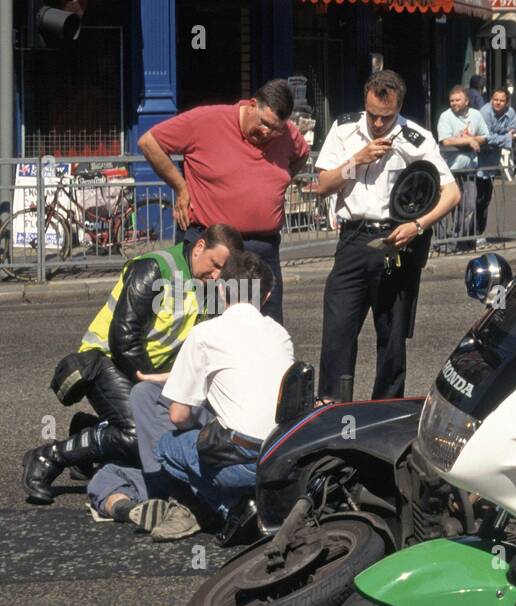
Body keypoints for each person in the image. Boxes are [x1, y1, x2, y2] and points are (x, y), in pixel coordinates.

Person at [21, 225, 242, 505]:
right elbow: (123, 338)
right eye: (214, 265)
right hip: (106, 360)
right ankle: (49, 456)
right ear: (199, 247)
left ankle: (92, 430)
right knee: (139, 435)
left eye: (224, 271)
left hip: (147, 371)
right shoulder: (156, 269)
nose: (217, 275)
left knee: (165, 438)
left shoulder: (209, 286)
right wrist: (157, 389)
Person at [312, 70, 459, 403]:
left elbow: (452, 194)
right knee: (337, 331)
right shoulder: (345, 129)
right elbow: (322, 186)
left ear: (399, 107)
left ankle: (384, 410)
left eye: (386, 117)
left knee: (392, 337)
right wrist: (357, 160)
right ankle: (333, 406)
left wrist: (418, 225)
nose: (378, 124)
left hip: (395, 240)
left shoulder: (416, 138)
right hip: (352, 239)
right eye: (373, 116)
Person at [147, 252, 295, 541]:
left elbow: (179, 416)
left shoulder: (204, 334)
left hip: (243, 460)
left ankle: (231, 508)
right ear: (265, 296)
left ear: (221, 290)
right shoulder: (279, 334)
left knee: (166, 447)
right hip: (283, 455)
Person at [138, 79, 309, 324]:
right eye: (264, 124)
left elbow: (301, 155)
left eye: (276, 129)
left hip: (262, 250)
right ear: (251, 105)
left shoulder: (288, 134)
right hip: (215, 248)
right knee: (207, 328)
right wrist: (181, 187)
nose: (267, 133)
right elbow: (149, 142)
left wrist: (278, 181)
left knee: (264, 331)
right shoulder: (207, 121)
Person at [437, 85, 488, 248]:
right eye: (451, 100)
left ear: (466, 101)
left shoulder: (476, 115)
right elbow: (446, 140)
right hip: (450, 170)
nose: (453, 103)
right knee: (448, 205)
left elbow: (485, 136)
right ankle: (443, 242)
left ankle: (459, 239)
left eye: (457, 100)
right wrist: (468, 141)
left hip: (469, 170)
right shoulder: (445, 116)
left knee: (469, 207)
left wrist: (475, 139)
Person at [476, 87, 516, 245]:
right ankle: (471, 234)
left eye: (501, 100)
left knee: (486, 199)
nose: (498, 103)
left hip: (492, 162)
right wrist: (505, 139)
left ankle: (480, 232)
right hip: (478, 163)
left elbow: (512, 133)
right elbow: (485, 137)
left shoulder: (511, 113)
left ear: (507, 102)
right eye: (495, 99)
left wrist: (501, 138)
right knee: (476, 200)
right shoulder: (484, 112)